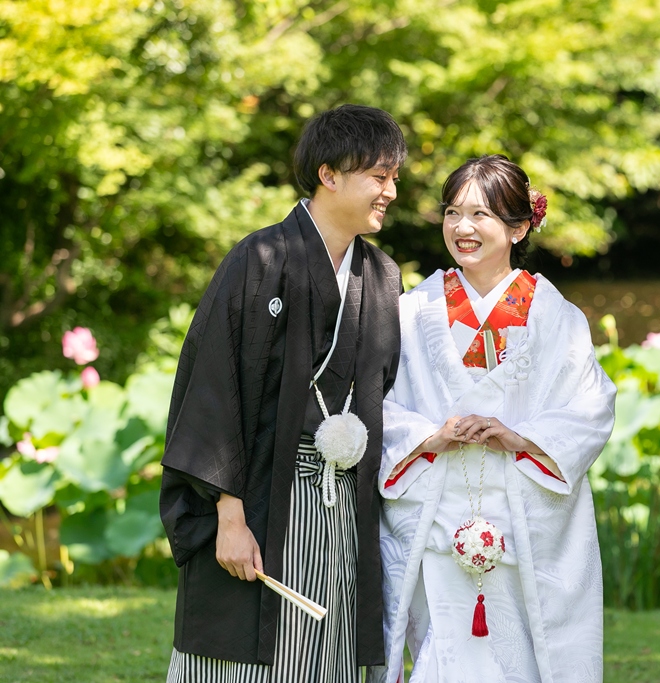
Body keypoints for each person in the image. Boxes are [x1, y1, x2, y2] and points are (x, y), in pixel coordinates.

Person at [159, 104, 406, 683]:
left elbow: (389, 392)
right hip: (262, 498)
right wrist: (228, 514)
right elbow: (214, 387)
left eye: (394, 177)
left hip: (341, 502)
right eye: (380, 176)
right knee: (248, 658)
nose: (391, 191)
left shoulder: (383, 276)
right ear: (329, 174)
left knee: (331, 651)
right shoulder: (261, 258)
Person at [376, 155, 616, 683]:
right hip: (438, 510)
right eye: (453, 212)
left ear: (519, 225)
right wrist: (427, 437)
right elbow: (379, 401)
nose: (462, 228)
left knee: (524, 656)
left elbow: (591, 407)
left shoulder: (557, 318)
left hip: (523, 515)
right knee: (445, 649)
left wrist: (521, 437)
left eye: (480, 215)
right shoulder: (411, 311)